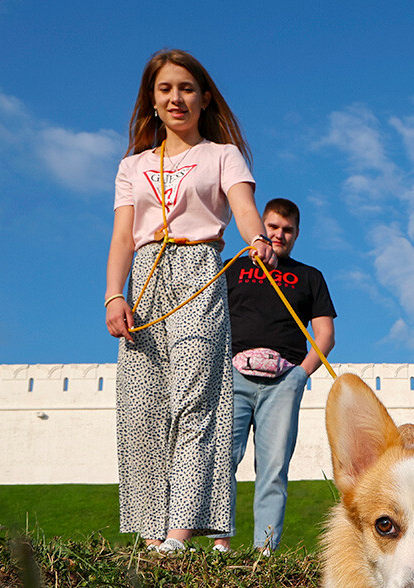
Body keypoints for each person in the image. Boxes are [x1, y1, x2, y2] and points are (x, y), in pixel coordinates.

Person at [104, 49, 275, 554]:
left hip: (200, 272)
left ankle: (180, 531)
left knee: (195, 400)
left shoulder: (223, 155)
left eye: (185, 88)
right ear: (152, 102)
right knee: (143, 405)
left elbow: (244, 207)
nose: (175, 98)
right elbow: (121, 237)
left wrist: (258, 239)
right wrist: (115, 294)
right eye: (165, 89)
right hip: (146, 282)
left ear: (203, 98)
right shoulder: (131, 166)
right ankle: (151, 531)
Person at [227, 198, 336, 552]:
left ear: (297, 234)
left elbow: (325, 336)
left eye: (287, 230)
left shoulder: (309, 277)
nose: (279, 235)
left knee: (273, 469)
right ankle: (219, 546)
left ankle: (264, 552)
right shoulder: (234, 268)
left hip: (283, 380)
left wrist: (299, 377)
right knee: (222, 459)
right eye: (272, 227)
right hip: (235, 377)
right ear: (261, 226)